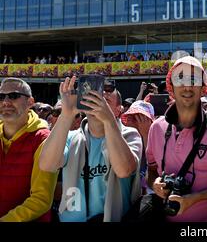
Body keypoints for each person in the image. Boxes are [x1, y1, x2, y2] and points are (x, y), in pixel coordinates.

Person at [39, 77, 142, 222]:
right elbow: (46, 165)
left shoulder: (130, 135)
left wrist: (108, 119)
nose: (99, 96)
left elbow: (124, 170)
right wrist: (67, 114)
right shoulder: (70, 137)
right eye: (93, 93)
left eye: (106, 93)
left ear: (119, 110)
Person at [146, 56, 207, 222]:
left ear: (203, 88)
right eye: (180, 78)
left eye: (193, 79)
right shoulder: (156, 128)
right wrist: (155, 183)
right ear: (171, 86)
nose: (187, 85)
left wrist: (195, 198)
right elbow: (150, 172)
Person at [0, 78, 58, 221]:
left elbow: (41, 199)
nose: (5, 102)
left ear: (30, 102)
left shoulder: (43, 139)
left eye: (13, 96)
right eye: (1, 97)